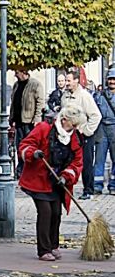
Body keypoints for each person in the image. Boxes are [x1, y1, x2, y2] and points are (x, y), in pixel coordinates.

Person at [19, 105, 85, 261]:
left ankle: (54, 245)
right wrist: (33, 153)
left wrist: (66, 177)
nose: (75, 128)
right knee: (45, 212)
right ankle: (44, 250)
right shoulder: (44, 128)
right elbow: (24, 145)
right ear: (64, 120)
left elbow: (77, 162)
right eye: (73, 124)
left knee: (56, 212)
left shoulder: (75, 138)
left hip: (57, 182)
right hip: (38, 179)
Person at [61, 70, 102, 199]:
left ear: (76, 81)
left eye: (69, 80)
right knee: (68, 162)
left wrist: (86, 131)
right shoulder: (64, 96)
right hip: (69, 135)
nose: (66, 83)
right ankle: (67, 190)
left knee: (86, 163)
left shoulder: (84, 96)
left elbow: (96, 115)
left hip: (83, 136)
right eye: (66, 80)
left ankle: (88, 190)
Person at [10, 70, 45, 178]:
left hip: (30, 122)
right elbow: (13, 103)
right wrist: (11, 118)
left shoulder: (35, 84)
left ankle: (30, 171)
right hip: (18, 122)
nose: (15, 74)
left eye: (17, 72)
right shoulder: (16, 85)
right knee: (19, 147)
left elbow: (40, 102)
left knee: (30, 147)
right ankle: (21, 170)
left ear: (23, 72)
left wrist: (37, 118)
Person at [93, 68, 115, 194]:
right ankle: (97, 185)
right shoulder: (99, 95)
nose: (112, 82)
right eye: (110, 79)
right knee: (99, 158)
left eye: (114, 79)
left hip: (114, 127)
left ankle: (113, 185)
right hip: (101, 128)